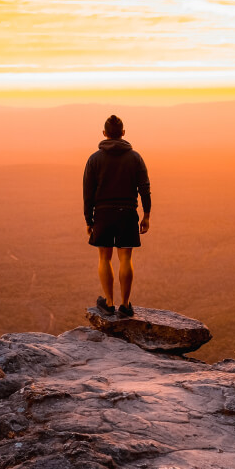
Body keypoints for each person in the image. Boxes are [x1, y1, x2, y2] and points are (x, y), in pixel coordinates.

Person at [83, 115, 151, 318]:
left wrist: (89, 220)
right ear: (123, 133)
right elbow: (144, 189)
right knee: (125, 258)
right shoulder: (135, 157)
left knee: (104, 257)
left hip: (103, 213)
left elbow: (88, 192)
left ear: (104, 133)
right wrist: (146, 215)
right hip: (127, 213)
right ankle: (126, 304)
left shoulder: (94, 159)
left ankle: (109, 303)